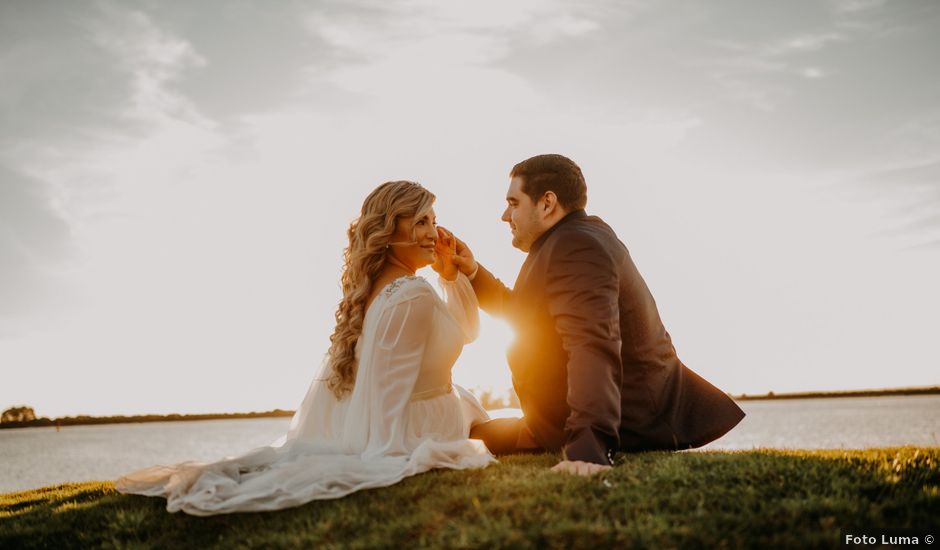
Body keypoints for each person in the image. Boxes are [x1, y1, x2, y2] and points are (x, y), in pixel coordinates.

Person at [116, 181, 495, 515]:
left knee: (491, 416)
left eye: (434, 220)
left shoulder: (379, 290)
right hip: (419, 427)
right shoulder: (411, 293)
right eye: (421, 221)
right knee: (509, 428)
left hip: (440, 407)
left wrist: (451, 275)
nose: (434, 233)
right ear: (388, 228)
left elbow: (463, 332)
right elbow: (389, 390)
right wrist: (389, 452)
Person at [452, 154, 745, 476]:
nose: (505, 215)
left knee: (457, 438)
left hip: (626, 423)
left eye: (513, 202)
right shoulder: (572, 237)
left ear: (547, 203)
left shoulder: (576, 246)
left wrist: (589, 448)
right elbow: (524, 315)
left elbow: (592, 343)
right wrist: (472, 272)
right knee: (462, 434)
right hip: (554, 420)